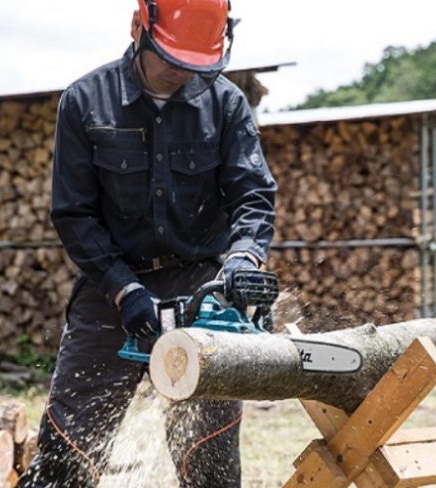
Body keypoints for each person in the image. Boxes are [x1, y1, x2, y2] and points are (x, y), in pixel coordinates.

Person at [18, 0, 277, 486]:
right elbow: (74, 213)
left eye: (194, 64)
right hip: (109, 288)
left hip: (201, 282)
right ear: (139, 27)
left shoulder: (224, 104)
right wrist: (123, 289)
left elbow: (253, 194)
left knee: (210, 458)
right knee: (66, 450)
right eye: (173, 59)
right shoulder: (85, 101)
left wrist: (244, 258)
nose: (182, 73)